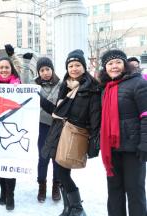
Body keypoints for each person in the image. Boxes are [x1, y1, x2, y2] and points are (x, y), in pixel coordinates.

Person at [40, 49, 101, 216]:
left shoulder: (92, 88)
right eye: (70, 65)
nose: (74, 69)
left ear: (84, 66)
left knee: (63, 173)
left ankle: (77, 208)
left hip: (76, 134)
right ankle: (68, 208)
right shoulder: (66, 85)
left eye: (77, 65)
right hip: (59, 132)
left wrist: (95, 141)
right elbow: (57, 111)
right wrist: (40, 99)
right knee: (60, 172)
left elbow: (96, 117)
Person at [99, 49, 147, 216]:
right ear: (105, 68)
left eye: (118, 62)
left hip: (134, 150)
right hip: (112, 149)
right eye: (110, 63)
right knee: (114, 192)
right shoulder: (105, 88)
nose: (114, 66)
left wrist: (144, 144)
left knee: (135, 191)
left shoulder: (138, 83)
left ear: (124, 65)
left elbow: (146, 115)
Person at [0, 57, 20, 211]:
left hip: (12, 130)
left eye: (6, 67)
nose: (3, 70)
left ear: (11, 69)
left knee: (10, 164)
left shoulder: (19, 86)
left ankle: (11, 195)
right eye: (1, 67)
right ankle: (3, 191)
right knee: (0, 163)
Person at [34, 57, 61, 203]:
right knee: (43, 157)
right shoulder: (35, 86)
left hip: (58, 126)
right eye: (42, 70)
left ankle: (56, 185)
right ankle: (42, 185)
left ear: (52, 69)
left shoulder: (61, 85)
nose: (45, 73)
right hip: (42, 125)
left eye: (47, 69)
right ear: (39, 72)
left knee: (57, 158)